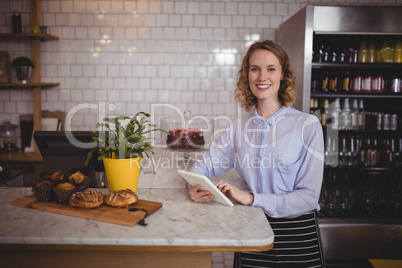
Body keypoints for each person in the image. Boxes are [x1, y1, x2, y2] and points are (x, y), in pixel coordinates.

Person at [188, 40, 325, 267]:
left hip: (298, 236)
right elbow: (204, 165)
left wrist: (252, 198)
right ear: (247, 75)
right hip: (252, 228)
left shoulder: (307, 126)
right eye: (255, 69)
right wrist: (195, 187)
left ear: (283, 75)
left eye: (271, 69)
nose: (262, 77)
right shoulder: (237, 127)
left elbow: (309, 197)